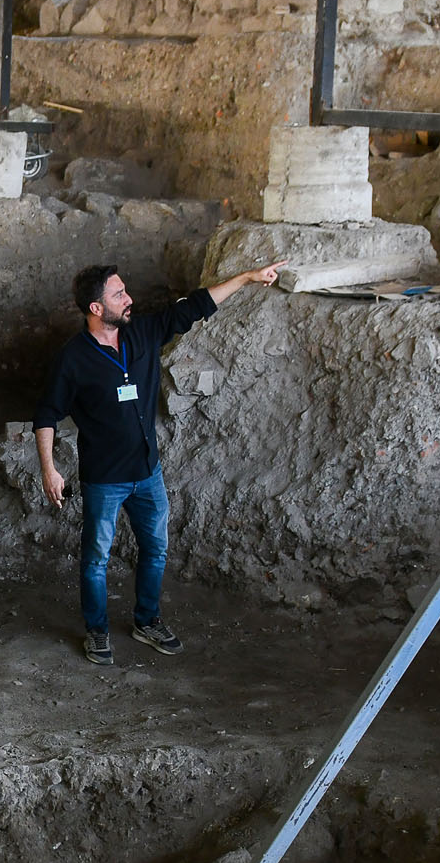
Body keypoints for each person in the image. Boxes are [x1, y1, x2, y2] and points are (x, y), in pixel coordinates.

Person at [35, 260, 283, 665]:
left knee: (156, 550)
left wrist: (247, 278)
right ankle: (96, 631)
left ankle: (147, 620)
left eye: (124, 290)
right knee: (96, 558)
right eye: (118, 294)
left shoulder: (144, 334)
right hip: (105, 479)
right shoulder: (73, 360)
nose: (128, 298)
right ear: (96, 309)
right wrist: (49, 467)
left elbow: (195, 307)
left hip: (148, 473)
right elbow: (46, 414)